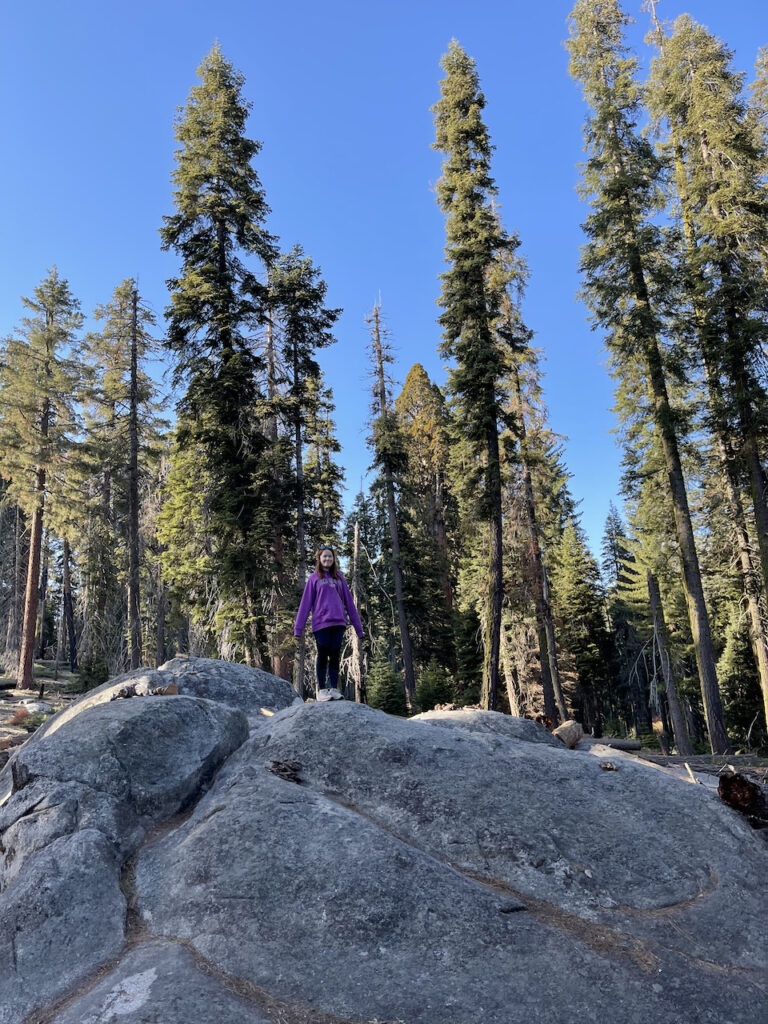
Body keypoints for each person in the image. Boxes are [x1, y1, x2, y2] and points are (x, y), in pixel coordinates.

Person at [294, 545, 364, 701]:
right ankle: (322, 690)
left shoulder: (339, 577)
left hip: (339, 623)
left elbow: (350, 604)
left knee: (334, 656)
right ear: (319, 558)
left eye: (330, 557)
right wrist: (298, 628)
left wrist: (359, 630)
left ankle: (333, 688)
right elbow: (305, 605)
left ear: (334, 559)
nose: (327, 559)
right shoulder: (314, 578)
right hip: (321, 624)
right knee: (323, 654)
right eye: (324, 556)